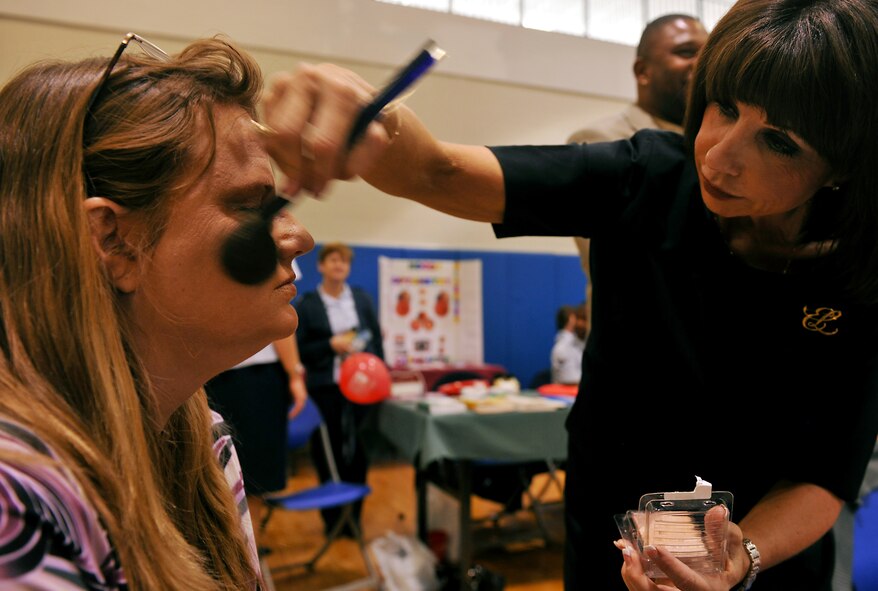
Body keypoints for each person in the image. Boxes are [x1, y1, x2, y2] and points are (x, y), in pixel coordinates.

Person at [256, 0, 878, 589]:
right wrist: (364, 110)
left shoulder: (859, 274)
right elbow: (437, 169)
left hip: (759, 560)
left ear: (845, 166)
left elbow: (824, 474)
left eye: (779, 141)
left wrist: (739, 557)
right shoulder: (649, 177)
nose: (719, 154)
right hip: (610, 526)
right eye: (722, 105)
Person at [0, 34, 315, 589]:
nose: (299, 237)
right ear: (115, 242)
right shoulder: (16, 499)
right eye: (248, 205)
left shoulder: (203, 444)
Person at [568, 13, 708, 312]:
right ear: (643, 70)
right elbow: (624, 259)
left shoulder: (717, 144)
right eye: (686, 52)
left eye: (708, 55)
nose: (702, 63)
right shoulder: (600, 140)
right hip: (636, 337)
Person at [205, 260, 309, 547]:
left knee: (254, 476)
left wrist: (294, 374)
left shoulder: (270, 239)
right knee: (219, 477)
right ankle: (238, 558)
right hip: (211, 372)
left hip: (253, 375)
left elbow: (281, 313)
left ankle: (250, 555)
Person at [294, 242, 384, 535]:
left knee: (357, 451)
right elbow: (299, 349)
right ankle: (333, 520)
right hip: (326, 388)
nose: (338, 265)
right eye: (333, 260)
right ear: (320, 266)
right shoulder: (308, 304)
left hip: (361, 389)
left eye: (344, 261)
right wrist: (331, 345)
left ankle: (353, 519)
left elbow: (375, 342)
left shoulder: (360, 299)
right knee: (327, 452)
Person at [551, 303, 588, 385]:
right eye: (578, 318)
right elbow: (569, 379)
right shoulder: (563, 347)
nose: (580, 323)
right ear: (572, 321)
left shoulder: (582, 344)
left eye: (584, 319)